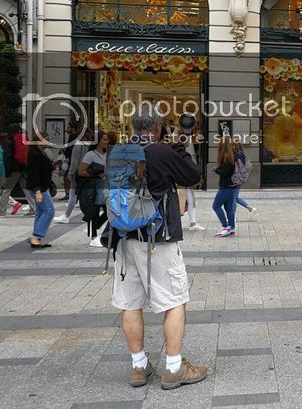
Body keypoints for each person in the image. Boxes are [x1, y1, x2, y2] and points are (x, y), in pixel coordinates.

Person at [111, 103, 206, 390]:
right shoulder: (163, 151)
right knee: (174, 300)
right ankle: (174, 369)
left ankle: (139, 367)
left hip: (125, 238)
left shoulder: (119, 152)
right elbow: (193, 176)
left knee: (130, 303)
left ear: (133, 126)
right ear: (157, 127)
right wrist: (177, 146)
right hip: (158, 238)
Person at [78, 132, 114, 247]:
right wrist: (95, 174)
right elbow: (81, 172)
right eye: (104, 139)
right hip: (94, 186)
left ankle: (96, 227)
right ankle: (93, 235)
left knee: (109, 210)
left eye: (107, 140)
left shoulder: (108, 154)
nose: (106, 142)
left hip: (105, 186)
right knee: (94, 210)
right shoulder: (90, 155)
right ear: (98, 141)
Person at [54, 127, 93, 224]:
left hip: (78, 172)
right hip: (88, 172)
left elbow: (75, 162)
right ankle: (89, 215)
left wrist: (70, 173)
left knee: (73, 195)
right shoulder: (91, 146)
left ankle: (67, 216)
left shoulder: (78, 145)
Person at [0, 124, 35, 217]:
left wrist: (7, 174)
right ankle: (34, 209)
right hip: (25, 168)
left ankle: (1, 211)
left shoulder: (8, 141)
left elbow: (7, 158)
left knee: (6, 190)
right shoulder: (24, 140)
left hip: (14, 170)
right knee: (27, 189)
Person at [25, 132, 55, 248]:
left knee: (41, 211)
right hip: (39, 187)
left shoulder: (41, 153)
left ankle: (36, 238)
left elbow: (42, 170)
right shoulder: (35, 154)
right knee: (49, 211)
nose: (48, 142)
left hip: (42, 186)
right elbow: (34, 174)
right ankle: (36, 236)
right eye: (46, 140)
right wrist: (37, 191)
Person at [212, 137, 245, 237]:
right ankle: (231, 227)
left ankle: (226, 226)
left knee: (216, 206)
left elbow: (225, 172)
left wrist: (216, 169)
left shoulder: (226, 157)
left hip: (226, 186)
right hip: (233, 185)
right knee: (229, 208)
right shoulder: (234, 155)